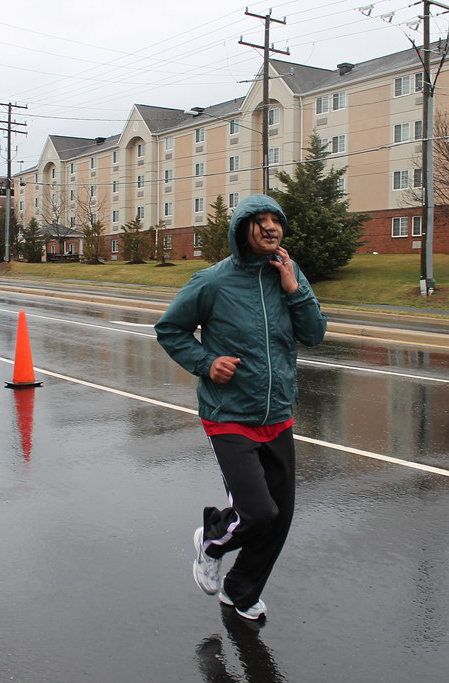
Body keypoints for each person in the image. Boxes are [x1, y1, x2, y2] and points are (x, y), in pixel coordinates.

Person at [154, 194, 327, 622]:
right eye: (260, 221)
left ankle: (240, 591)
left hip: (277, 412)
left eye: (276, 221)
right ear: (241, 229)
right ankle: (212, 540)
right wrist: (206, 363)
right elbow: (170, 329)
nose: (271, 228)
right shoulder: (212, 282)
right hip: (229, 415)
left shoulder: (287, 272)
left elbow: (315, 333)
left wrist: (294, 290)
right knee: (258, 512)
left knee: (279, 518)